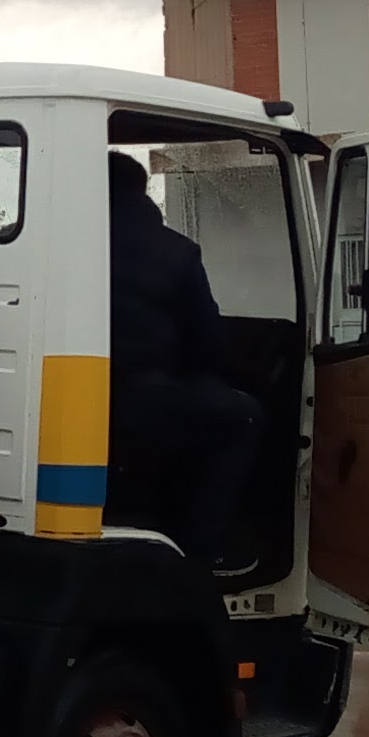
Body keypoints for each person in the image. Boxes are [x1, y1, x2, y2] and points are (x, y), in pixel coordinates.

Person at [107, 151, 262, 570]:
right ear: (141, 191)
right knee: (243, 417)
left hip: (68, 398)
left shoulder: (61, 243)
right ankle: (203, 550)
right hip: (143, 398)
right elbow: (207, 344)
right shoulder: (175, 252)